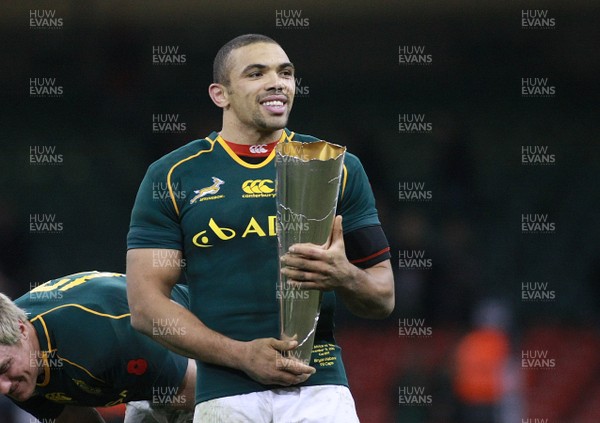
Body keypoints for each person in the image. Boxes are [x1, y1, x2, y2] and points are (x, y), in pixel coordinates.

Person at [126, 33, 395, 422]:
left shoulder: (335, 166)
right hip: (224, 394)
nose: (277, 82)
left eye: (285, 73)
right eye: (257, 73)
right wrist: (242, 355)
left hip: (320, 389)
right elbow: (146, 308)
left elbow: (383, 297)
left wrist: (345, 276)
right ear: (221, 95)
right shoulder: (171, 176)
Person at [0, 271, 195, 423]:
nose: (3, 388)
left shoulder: (98, 341)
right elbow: (71, 417)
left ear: (21, 330)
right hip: (149, 382)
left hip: (199, 342)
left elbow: (203, 391)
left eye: (6, 367)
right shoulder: (13, 356)